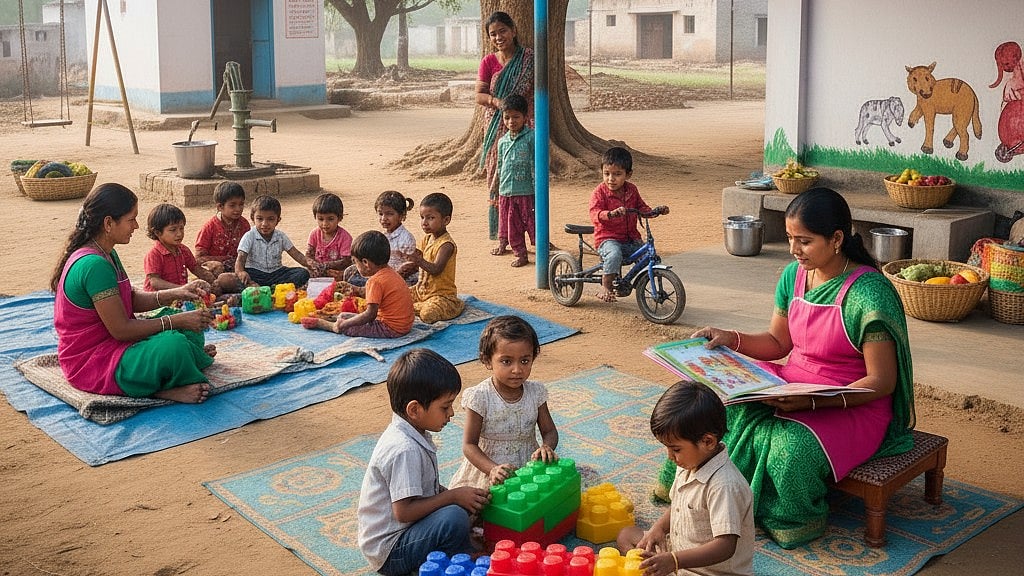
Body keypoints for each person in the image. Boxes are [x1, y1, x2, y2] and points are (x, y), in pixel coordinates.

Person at [664, 187, 916, 549]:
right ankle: (706, 502)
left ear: (837, 239)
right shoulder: (794, 276)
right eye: (789, 239)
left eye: (805, 241)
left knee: (789, 451)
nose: (795, 250)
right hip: (789, 386)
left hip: (852, 402)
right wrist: (729, 338)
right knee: (710, 415)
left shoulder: (869, 293)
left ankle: (788, 520)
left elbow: (882, 381)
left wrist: (814, 403)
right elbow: (779, 344)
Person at [50, 183, 216, 404]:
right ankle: (160, 389)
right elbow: (121, 330)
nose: (137, 226)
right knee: (174, 345)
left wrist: (180, 292)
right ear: (109, 223)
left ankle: (181, 361)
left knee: (187, 333)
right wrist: (176, 321)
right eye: (132, 219)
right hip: (92, 361)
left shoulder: (107, 253)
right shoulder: (93, 265)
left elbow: (130, 299)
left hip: (114, 345)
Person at [357, 348, 491, 575]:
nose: (451, 414)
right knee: (453, 516)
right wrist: (452, 497)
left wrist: (458, 498)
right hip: (392, 551)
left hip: (407, 533)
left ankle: (457, 544)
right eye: (445, 406)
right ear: (415, 409)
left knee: (460, 506)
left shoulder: (415, 432)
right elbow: (404, 512)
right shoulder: (403, 449)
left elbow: (425, 490)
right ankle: (456, 558)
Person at [618, 381, 754, 576]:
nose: (669, 456)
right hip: (677, 557)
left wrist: (674, 561)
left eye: (675, 449)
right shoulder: (688, 463)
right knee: (627, 535)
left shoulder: (724, 485)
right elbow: (677, 505)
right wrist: (658, 528)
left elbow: (726, 545)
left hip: (709, 572)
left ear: (708, 441)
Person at [449, 315, 558, 490]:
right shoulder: (480, 397)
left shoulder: (536, 393)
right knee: (481, 509)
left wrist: (547, 447)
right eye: (506, 361)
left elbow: (550, 430)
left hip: (528, 466)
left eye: (525, 361)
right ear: (487, 360)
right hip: (490, 470)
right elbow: (469, 445)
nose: (517, 370)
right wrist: (492, 469)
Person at [477, 10, 534, 244]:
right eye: (493, 34)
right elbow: (479, 95)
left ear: (513, 31)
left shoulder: (528, 59)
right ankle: (502, 235)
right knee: (497, 174)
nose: (498, 37)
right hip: (496, 125)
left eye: (502, 31)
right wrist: (496, 102)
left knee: (526, 175)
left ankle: (530, 233)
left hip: (523, 125)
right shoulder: (489, 62)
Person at [589, 147, 669, 303]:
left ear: (628, 174)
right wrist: (610, 214)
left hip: (630, 238)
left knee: (649, 256)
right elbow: (594, 213)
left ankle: (632, 283)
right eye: (607, 174)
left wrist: (655, 211)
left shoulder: (632, 190)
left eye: (617, 174)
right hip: (607, 239)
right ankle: (606, 285)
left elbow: (642, 208)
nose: (611, 179)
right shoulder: (599, 192)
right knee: (614, 255)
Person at [301, 230, 414, 338]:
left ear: (365, 263)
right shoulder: (391, 272)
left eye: (355, 262)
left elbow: (370, 315)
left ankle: (331, 326)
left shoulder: (375, 281)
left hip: (391, 329)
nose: (355, 266)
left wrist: (345, 325)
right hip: (405, 325)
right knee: (343, 315)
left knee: (349, 328)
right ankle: (339, 321)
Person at [491, 94, 536, 268]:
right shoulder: (502, 141)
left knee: (529, 221)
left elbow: (538, 162)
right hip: (505, 191)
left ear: (525, 117)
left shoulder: (532, 137)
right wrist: (495, 187)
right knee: (509, 223)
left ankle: (539, 247)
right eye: (507, 117)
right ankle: (519, 253)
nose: (511, 121)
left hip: (526, 190)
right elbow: (500, 166)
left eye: (516, 117)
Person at [406, 192, 465, 323]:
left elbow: (436, 269)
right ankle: (414, 307)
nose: (424, 223)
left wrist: (418, 260)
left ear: (446, 220)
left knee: (428, 315)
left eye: (430, 218)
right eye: (422, 217)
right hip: (421, 291)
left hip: (441, 296)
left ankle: (454, 305)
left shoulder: (446, 245)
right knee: (394, 298)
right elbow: (416, 264)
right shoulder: (427, 239)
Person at [235, 195, 314, 288]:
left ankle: (272, 288)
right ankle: (257, 286)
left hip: (277, 273)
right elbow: (241, 258)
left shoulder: (280, 236)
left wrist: (310, 264)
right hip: (255, 274)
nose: (264, 224)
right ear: (253, 218)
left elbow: (296, 254)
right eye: (260, 219)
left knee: (303, 273)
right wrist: (240, 272)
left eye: (270, 219)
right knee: (230, 279)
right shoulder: (249, 236)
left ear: (278, 220)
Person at [345, 190, 419, 287]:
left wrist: (392, 277)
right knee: (350, 272)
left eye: (389, 214)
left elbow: (411, 264)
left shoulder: (405, 238)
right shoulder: (382, 235)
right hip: (381, 272)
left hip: (398, 276)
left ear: (402, 216)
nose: (384, 218)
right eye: (380, 214)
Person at [142, 203, 218, 293]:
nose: (179, 234)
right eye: (173, 230)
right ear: (158, 233)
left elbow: (196, 269)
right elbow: (155, 282)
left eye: (181, 228)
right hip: (157, 300)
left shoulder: (183, 250)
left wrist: (213, 282)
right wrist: (181, 289)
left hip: (179, 294)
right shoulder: (154, 255)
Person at [194, 181, 249, 294]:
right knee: (220, 278)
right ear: (220, 207)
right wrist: (222, 261)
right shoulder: (209, 227)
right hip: (217, 269)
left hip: (237, 266)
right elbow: (199, 258)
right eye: (232, 205)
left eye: (241, 204)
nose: (238, 209)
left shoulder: (244, 224)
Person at [306, 192, 353, 278]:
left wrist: (325, 266)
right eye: (320, 219)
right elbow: (309, 255)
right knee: (302, 274)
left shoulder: (345, 237)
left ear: (340, 218)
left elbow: (346, 261)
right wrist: (313, 265)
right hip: (318, 271)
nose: (325, 224)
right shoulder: (314, 234)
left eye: (330, 219)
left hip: (336, 272)